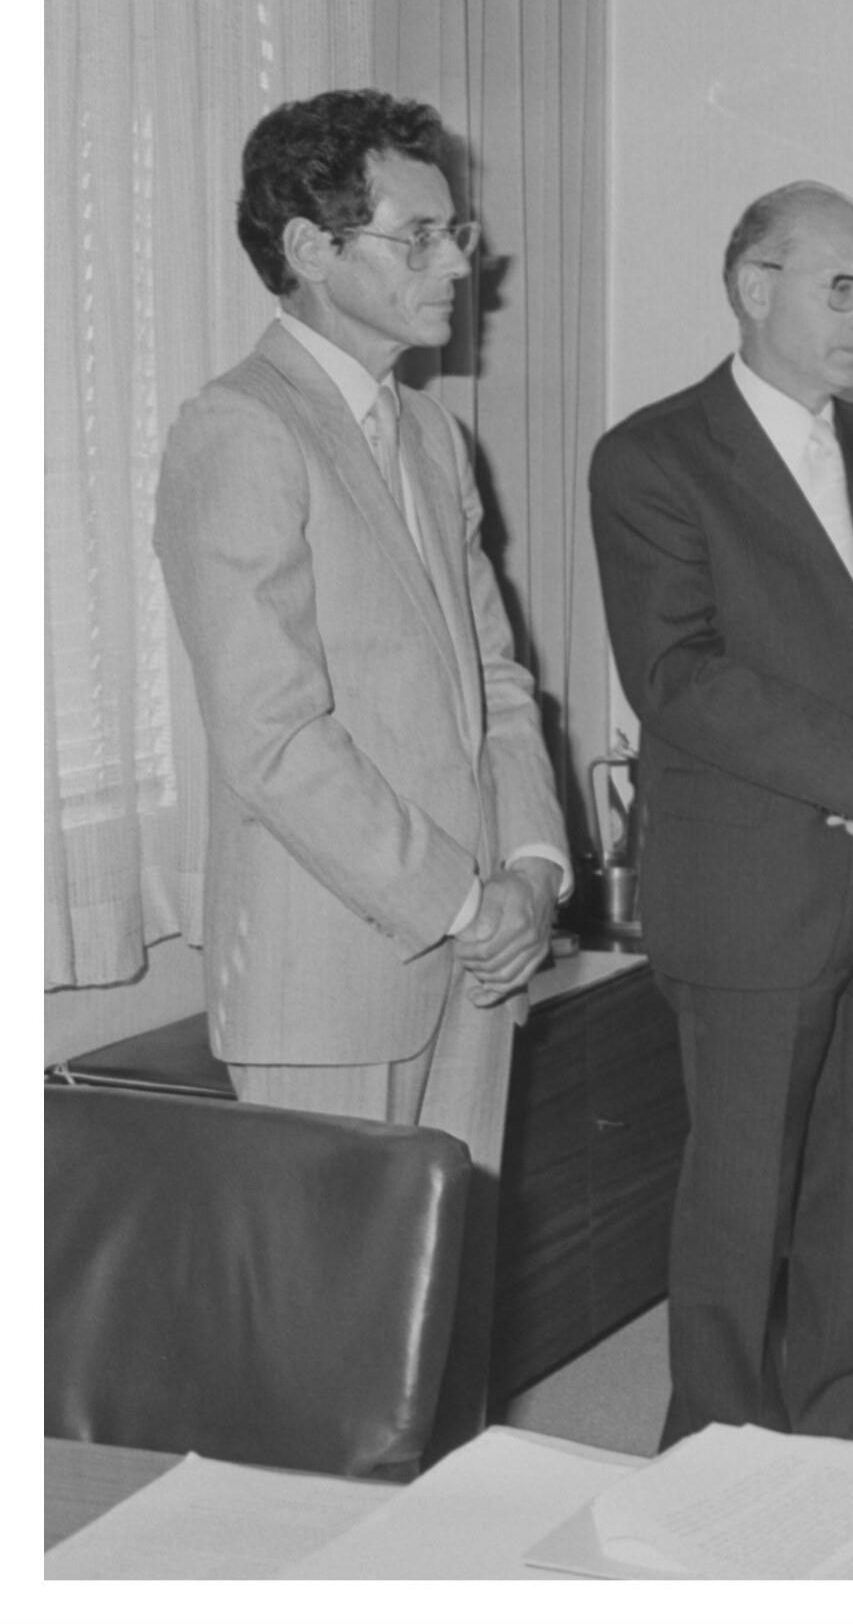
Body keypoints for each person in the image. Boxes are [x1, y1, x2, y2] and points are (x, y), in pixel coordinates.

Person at [153, 88, 568, 1447]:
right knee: (322, 1363)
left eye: (457, 232)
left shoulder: (433, 434)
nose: (460, 261)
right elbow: (272, 735)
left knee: (442, 1339)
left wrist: (531, 866)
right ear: (311, 248)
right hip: (333, 965)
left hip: (478, 955)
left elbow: (496, 676)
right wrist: (461, 897)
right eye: (422, 234)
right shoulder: (238, 429)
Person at [589, 182, 853, 1449]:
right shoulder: (652, 457)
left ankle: (848, 1410)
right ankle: (715, 1441)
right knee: (742, 1186)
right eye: (844, 289)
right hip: (752, 884)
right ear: (755, 287)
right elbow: (678, 673)